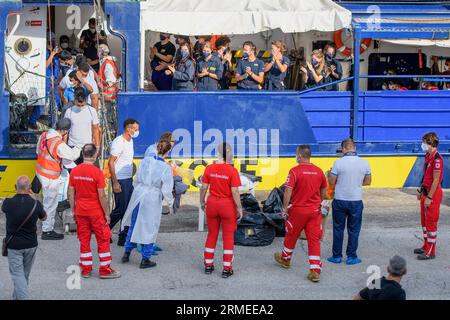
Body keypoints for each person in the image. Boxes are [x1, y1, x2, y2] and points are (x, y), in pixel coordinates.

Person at [274, 145, 327, 283]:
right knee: (314, 240)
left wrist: (285, 208)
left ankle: (285, 259)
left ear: (300, 155)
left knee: (291, 235)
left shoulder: (294, 171)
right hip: (314, 211)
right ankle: (315, 271)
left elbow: (287, 191)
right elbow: (324, 193)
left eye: (296, 153)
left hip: (298, 211)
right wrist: (316, 203)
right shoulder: (319, 171)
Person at [69, 144, 120, 279]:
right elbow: (101, 196)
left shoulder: (75, 171)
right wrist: (107, 214)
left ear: (83, 154)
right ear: (95, 155)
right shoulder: (97, 172)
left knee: (84, 240)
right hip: (96, 212)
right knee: (103, 239)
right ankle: (104, 270)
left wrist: (74, 210)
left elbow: (71, 194)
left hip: (80, 211)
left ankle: (85, 270)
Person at [120, 140, 174, 268]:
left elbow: (137, 179)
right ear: (168, 151)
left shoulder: (145, 161)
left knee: (134, 223)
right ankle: (145, 259)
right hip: (152, 197)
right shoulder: (165, 167)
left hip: (139, 194)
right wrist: (170, 204)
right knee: (149, 227)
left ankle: (126, 253)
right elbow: (167, 188)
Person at [200, 143, 242, 278]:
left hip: (212, 204)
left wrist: (202, 201)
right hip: (227, 206)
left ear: (218, 153)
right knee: (228, 236)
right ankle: (226, 268)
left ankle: (208, 265)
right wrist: (239, 208)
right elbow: (234, 191)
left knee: (212, 234)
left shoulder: (209, 168)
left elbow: (203, 187)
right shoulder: (232, 171)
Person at [35, 118, 82, 240]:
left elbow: (37, 150)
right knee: (50, 204)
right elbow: (71, 155)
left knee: (47, 200)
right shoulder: (58, 143)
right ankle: (47, 231)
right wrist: (78, 147)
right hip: (49, 176)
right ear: (65, 131)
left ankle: (45, 221)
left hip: (41, 171)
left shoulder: (44, 135)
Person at [327, 138, 371, 265]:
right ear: (354, 148)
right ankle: (351, 257)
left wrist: (330, 174)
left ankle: (336, 256)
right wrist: (356, 182)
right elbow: (368, 181)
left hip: (340, 199)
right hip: (356, 200)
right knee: (354, 230)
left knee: (338, 229)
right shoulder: (364, 163)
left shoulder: (338, 163)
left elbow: (331, 182)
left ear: (343, 149)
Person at [2, 176, 47, 300]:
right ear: (30, 189)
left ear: (15, 187)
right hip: (31, 244)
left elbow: (4, 209)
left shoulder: (7, 202)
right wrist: (35, 199)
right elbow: (44, 218)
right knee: (24, 275)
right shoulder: (35, 204)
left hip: (14, 245)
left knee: (17, 274)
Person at [108, 119, 139, 246]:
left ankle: (123, 236)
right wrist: (115, 182)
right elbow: (111, 162)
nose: (137, 131)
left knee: (128, 209)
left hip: (128, 179)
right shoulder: (118, 142)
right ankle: (104, 231)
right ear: (128, 129)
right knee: (121, 209)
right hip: (120, 180)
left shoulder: (130, 141)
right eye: (135, 129)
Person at [415, 132, 444, 260]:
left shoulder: (437, 159)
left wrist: (430, 197)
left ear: (430, 143)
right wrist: (421, 190)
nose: (423, 145)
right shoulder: (428, 156)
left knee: (431, 223)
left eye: (424, 142)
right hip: (425, 192)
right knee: (425, 222)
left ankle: (430, 252)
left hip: (433, 194)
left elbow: (436, 180)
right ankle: (426, 245)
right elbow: (426, 177)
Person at [63, 89, 100, 167]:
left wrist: (97, 146)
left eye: (82, 105)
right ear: (75, 100)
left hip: (87, 147)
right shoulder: (69, 111)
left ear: (86, 100)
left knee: (89, 174)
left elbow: (95, 129)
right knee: (71, 173)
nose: (80, 107)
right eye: (78, 105)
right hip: (72, 146)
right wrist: (64, 146)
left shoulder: (92, 111)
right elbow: (65, 131)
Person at [98, 43, 119, 114]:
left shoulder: (107, 64)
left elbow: (110, 81)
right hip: (106, 96)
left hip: (108, 97)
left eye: (99, 51)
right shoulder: (105, 62)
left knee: (107, 116)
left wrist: (98, 80)